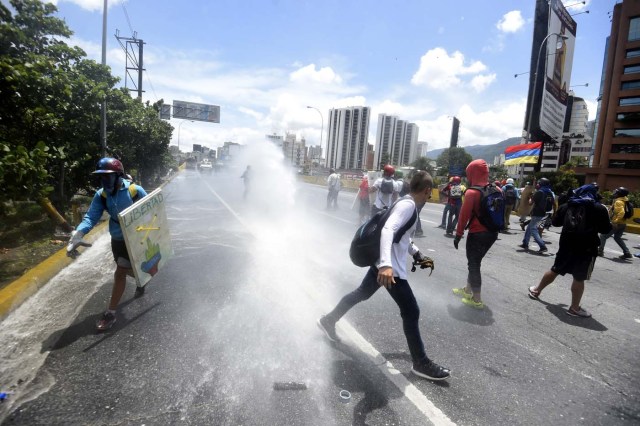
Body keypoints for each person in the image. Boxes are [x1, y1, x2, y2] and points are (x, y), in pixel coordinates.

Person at [317, 171, 450, 381]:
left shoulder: (404, 202)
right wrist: (386, 265)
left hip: (382, 262)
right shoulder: (408, 206)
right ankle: (420, 362)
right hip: (390, 269)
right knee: (411, 311)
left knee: (361, 293)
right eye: (429, 192)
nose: (429, 196)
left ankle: (328, 320)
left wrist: (417, 254)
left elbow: (401, 237)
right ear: (426, 191)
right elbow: (388, 230)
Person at [67, 157, 148, 331]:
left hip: (136, 238)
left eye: (108, 176)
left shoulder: (135, 191)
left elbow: (150, 210)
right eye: (101, 177)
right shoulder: (101, 195)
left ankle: (110, 313)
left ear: (118, 176)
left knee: (120, 272)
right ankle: (141, 279)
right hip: (117, 239)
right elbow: (91, 216)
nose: (104, 180)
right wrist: (78, 233)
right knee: (126, 269)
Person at [528, 184, 612, 317]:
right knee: (579, 277)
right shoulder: (599, 208)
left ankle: (536, 290)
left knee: (555, 269)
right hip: (587, 249)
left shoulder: (567, 205)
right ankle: (574, 308)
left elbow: (556, 223)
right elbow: (606, 230)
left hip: (566, 245)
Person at [451, 159, 499, 309]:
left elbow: (463, 216)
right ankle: (467, 290)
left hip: (477, 234)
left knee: (474, 264)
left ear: (472, 173)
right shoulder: (498, 190)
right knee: (475, 262)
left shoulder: (472, 193)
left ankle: (476, 300)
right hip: (492, 234)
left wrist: (458, 234)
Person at [520, 178, 554, 253]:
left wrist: (530, 197)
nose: (538, 184)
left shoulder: (540, 192)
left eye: (539, 183)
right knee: (529, 227)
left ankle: (542, 246)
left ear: (541, 183)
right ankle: (525, 243)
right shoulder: (549, 192)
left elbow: (530, 203)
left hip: (537, 213)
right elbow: (553, 203)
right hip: (544, 212)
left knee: (533, 229)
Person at [598, 187, 633, 259]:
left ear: (619, 194)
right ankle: (627, 252)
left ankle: (600, 251)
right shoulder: (624, 201)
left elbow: (621, 212)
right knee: (617, 237)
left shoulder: (618, 202)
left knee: (603, 236)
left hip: (617, 223)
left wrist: (615, 222)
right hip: (623, 223)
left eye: (616, 192)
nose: (614, 193)